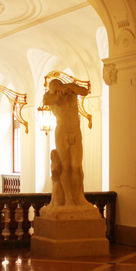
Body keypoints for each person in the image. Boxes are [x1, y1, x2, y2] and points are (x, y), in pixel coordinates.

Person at [42, 76, 90, 207]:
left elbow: (85, 91)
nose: (59, 89)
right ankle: (68, 198)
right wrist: (57, 94)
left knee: (77, 166)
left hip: (75, 130)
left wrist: (69, 87)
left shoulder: (71, 91)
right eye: (55, 88)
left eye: (60, 86)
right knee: (65, 166)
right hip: (62, 132)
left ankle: (79, 197)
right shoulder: (49, 96)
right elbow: (47, 100)